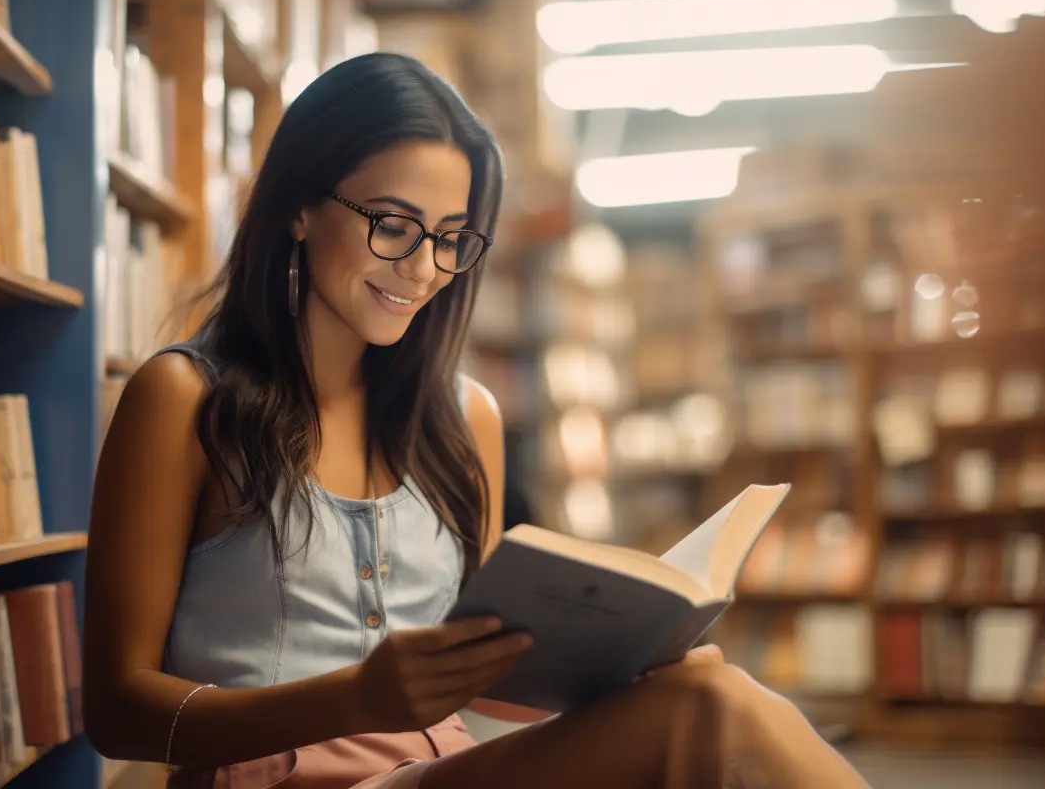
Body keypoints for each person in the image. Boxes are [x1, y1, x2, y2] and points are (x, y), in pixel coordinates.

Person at [82, 51, 870, 789]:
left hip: (441, 772)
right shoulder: (183, 399)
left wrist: (630, 667)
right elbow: (116, 713)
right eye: (392, 224)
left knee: (706, 693)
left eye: (451, 239)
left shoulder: (465, 419)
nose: (424, 269)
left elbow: (492, 681)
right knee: (712, 716)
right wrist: (355, 701)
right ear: (298, 207)